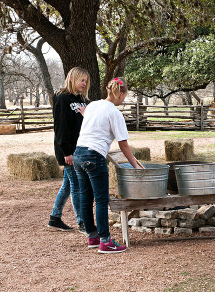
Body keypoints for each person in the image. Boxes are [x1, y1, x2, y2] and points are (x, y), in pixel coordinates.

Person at [73, 77, 142, 254]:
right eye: (124, 96)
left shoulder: (93, 105)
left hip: (78, 154)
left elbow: (91, 121)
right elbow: (123, 144)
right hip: (94, 155)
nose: (124, 100)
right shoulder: (114, 112)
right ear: (120, 93)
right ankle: (105, 241)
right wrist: (135, 165)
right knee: (102, 199)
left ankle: (93, 236)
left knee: (85, 198)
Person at [48, 67, 89, 233]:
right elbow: (61, 128)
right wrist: (67, 152)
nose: (84, 84)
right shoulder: (62, 98)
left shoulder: (81, 99)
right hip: (68, 150)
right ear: (73, 79)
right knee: (77, 185)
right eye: (82, 80)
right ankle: (82, 222)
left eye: (86, 81)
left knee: (68, 184)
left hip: (79, 148)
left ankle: (55, 217)